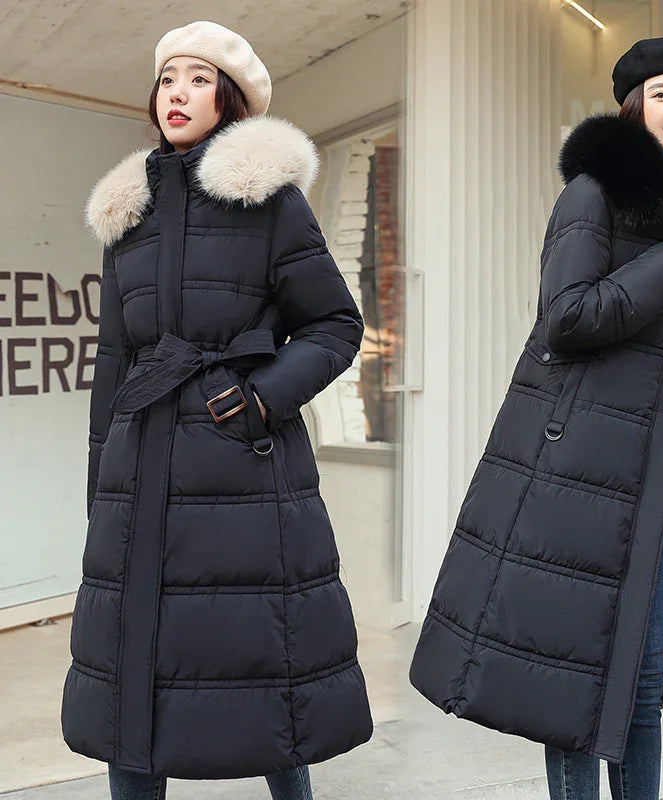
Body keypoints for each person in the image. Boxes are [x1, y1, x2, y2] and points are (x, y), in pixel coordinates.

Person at [409, 35, 663, 800]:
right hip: (585, 470)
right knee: (573, 681)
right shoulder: (595, 193)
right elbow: (565, 317)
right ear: (635, 107)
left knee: (644, 678)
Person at [60, 21, 373, 800]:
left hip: (245, 467)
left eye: (199, 79)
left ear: (228, 99)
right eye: (169, 78)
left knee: (264, 671)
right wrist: (102, 486)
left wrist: (263, 396)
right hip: (142, 474)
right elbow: (114, 361)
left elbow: (336, 324)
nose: (178, 93)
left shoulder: (270, 201)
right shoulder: (127, 214)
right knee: (131, 684)